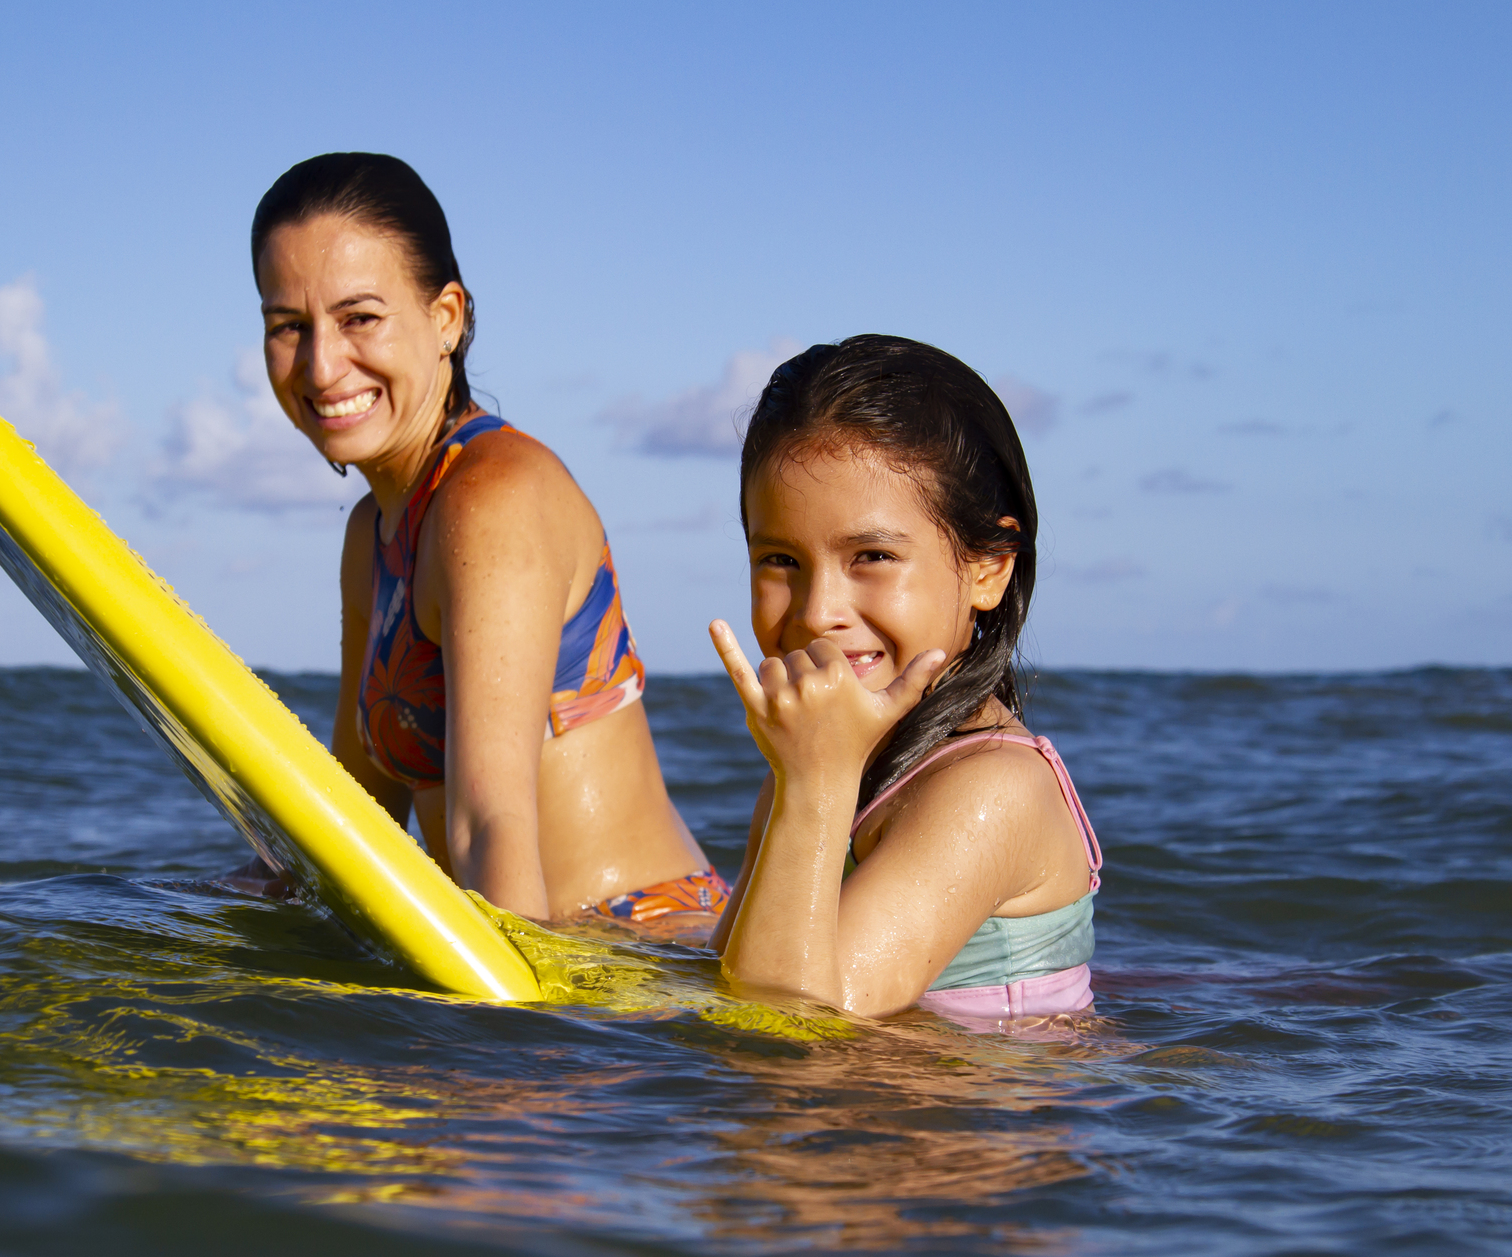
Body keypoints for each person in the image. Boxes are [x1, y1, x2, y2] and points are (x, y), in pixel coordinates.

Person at [243, 153, 721, 935]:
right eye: (288, 327)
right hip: (533, 952)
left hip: (639, 970)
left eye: (359, 317)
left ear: (446, 318)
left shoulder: (492, 500)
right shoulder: (372, 534)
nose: (323, 366)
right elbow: (357, 812)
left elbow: (486, 824)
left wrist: (506, 1051)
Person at [707, 335, 1101, 1020]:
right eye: (781, 560)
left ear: (988, 569)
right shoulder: (823, 756)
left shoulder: (991, 790)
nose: (818, 613)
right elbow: (724, 973)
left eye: (872, 555)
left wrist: (812, 782)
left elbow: (785, 1033)